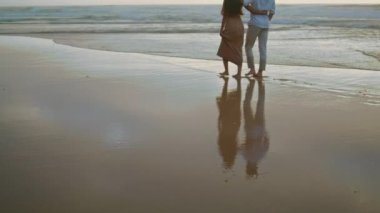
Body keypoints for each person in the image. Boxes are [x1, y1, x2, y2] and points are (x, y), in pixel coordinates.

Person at [243, 0, 276, 77]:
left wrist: (254, 11)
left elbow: (244, 3)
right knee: (263, 48)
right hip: (266, 24)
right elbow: (272, 12)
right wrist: (266, 20)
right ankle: (260, 72)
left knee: (248, 47)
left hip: (255, 23)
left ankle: (252, 69)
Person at [217, 0, 244, 78]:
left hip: (230, 27)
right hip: (239, 26)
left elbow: (225, 17)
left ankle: (226, 71)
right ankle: (239, 73)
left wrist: (221, 30)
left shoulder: (227, 2)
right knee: (238, 49)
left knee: (224, 48)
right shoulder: (240, 2)